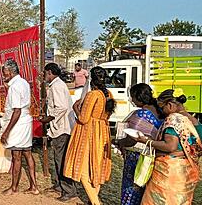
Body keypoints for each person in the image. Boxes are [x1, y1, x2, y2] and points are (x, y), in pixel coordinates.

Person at [134, 89, 202, 205]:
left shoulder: (174, 119)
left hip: (169, 173)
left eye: (162, 107)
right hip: (187, 173)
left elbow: (170, 146)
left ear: (170, 105)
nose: (162, 112)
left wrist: (146, 141)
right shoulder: (195, 121)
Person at [64, 66, 115, 205]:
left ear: (91, 79)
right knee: (96, 169)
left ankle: (95, 202)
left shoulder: (92, 95)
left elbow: (83, 118)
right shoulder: (108, 94)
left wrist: (75, 107)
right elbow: (108, 115)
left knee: (83, 171)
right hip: (102, 132)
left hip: (88, 134)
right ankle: (93, 201)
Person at [113, 83, 162, 205]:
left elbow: (132, 139)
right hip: (153, 157)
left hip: (137, 158)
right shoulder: (159, 112)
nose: (131, 100)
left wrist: (118, 142)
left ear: (138, 97)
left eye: (132, 97)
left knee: (132, 189)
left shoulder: (141, 114)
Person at [0, 59, 39, 195]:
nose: (3, 74)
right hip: (25, 121)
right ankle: (34, 186)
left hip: (18, 123)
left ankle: (14, 187)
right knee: (27, 153)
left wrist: (6, 131)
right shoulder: (22, 83)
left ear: (10, 72)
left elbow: (17, 111)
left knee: (16, 155)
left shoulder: (15, 86)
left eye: (4, 72)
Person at [39, 63, 77, 202]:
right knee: (58, 159)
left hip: (62, 128)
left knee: (61, 160)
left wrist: (47, 118)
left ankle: (69, 190)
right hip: (59, 127)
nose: (43, 76)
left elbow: (61, 107)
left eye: (44, 73)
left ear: (49, 72)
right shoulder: (56, 85)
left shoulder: (57, 86)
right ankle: (60, 186)